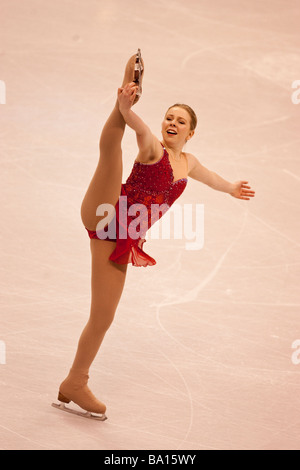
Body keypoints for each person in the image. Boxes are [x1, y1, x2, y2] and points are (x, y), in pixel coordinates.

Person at [52, 50, 255, 420]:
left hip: (122, 238)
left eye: (180, 121)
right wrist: (127, 106)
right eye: (168, 117)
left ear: (191, 132)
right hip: (106, 214)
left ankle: (74, 382)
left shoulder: (187, 162)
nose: (172, 123)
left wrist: (230, 188)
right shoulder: (152, 149)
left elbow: (210, 178)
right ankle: (127, 84)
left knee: (103, 316)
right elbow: (140, 129)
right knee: (110, 151)